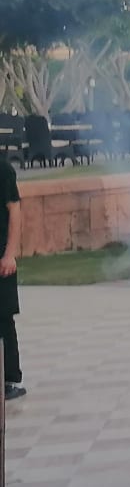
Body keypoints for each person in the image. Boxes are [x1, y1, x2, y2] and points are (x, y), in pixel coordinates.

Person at [1, 151, 22, 401]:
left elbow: (15, 212)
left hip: (1, 257)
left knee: (3, 317)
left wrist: (10, 254)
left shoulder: (3, 170)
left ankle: (8, 379)